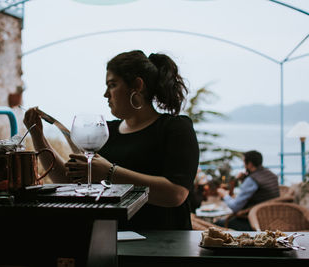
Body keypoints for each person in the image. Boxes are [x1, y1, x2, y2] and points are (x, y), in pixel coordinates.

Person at [24, 50, 199, 230]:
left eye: (112, 85)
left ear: (137, 86)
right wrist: (38, 137)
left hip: (163, 243)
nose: (106, 94)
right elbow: (68, 179)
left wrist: (110, 173)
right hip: (110, 240)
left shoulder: (175, 128)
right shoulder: (107, 131)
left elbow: (176, 194)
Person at [215, 150, 280, 230]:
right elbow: (259, 192)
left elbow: (235, 207)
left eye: (244, 163)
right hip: (271, 218)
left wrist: (224, 195)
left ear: (249, 164)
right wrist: (244, 179)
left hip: (252, 221)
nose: (243, 165)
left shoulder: (252, 180)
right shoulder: (271, 174)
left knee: (217, 223)